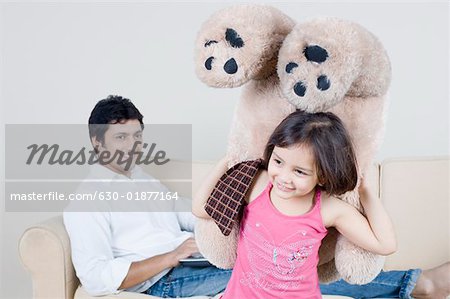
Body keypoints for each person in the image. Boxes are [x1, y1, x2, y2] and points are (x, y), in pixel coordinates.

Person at [193, 110, 450, 299]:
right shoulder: (258, 184)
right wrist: (224, 162)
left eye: (300, 172)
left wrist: (366, 191)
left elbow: (385, 244)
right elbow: (201, 208)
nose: (284, 178)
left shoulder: (327, 209)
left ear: (323, 176)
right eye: (278, 161)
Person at [63, 95, 231, 297]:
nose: (132, 146)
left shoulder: (142, 179)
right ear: (97, 141)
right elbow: (94, 277)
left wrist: (226, 221)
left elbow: (185, 213)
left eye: (137, 137)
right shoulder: (87, 201)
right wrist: (171, 257)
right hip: (160, 281)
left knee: (258, 258)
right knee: (256, 275)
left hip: (190, 262)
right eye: (121, 137)